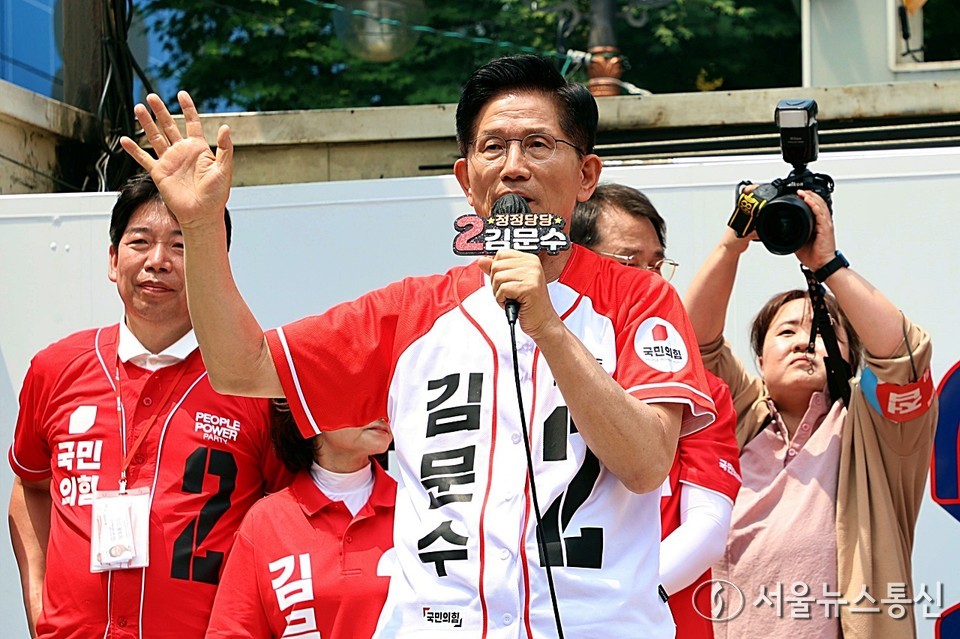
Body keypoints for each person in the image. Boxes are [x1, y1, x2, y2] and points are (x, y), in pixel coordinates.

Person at [120, 54, 719, 638]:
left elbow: (647, 465)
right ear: (465, 179)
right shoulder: (411, 312)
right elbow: (241, 366)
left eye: (538, 145)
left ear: (586, 175)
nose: (513, 167)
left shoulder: (638, 298)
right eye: (492, 147)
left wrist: (549, 329)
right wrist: (201, 226)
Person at [7, 174, 293, 639]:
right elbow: (31, 486)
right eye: (140, 242)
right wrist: (40, 609)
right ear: (113, 259)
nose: (157, 261)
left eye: (181, 246)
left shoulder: (255, 384)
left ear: (214, 267)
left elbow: (294, 520)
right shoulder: (55, 369)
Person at [683, 188, 937, 638]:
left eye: (824, 332)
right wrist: (731, 243)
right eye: (786, 332)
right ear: (759, 360)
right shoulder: (736, 416)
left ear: (849, 357)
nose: (805, 341)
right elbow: (693, 344)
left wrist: (828, 265)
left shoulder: (877, 433)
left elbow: (904, 356)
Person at [572, 183, 742, 639]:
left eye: (657, 264)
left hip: (659, 620)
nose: (652, 280)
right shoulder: (521, 372)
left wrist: (612, 600)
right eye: (630, 263)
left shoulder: (702, 389)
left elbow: (707, 529)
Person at [206, 401, 396, 638]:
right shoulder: (265, 522)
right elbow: (232, 632)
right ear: (308, 405)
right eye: (362, 392)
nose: (382, 408)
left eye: (385, 392)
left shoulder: (419, 511)